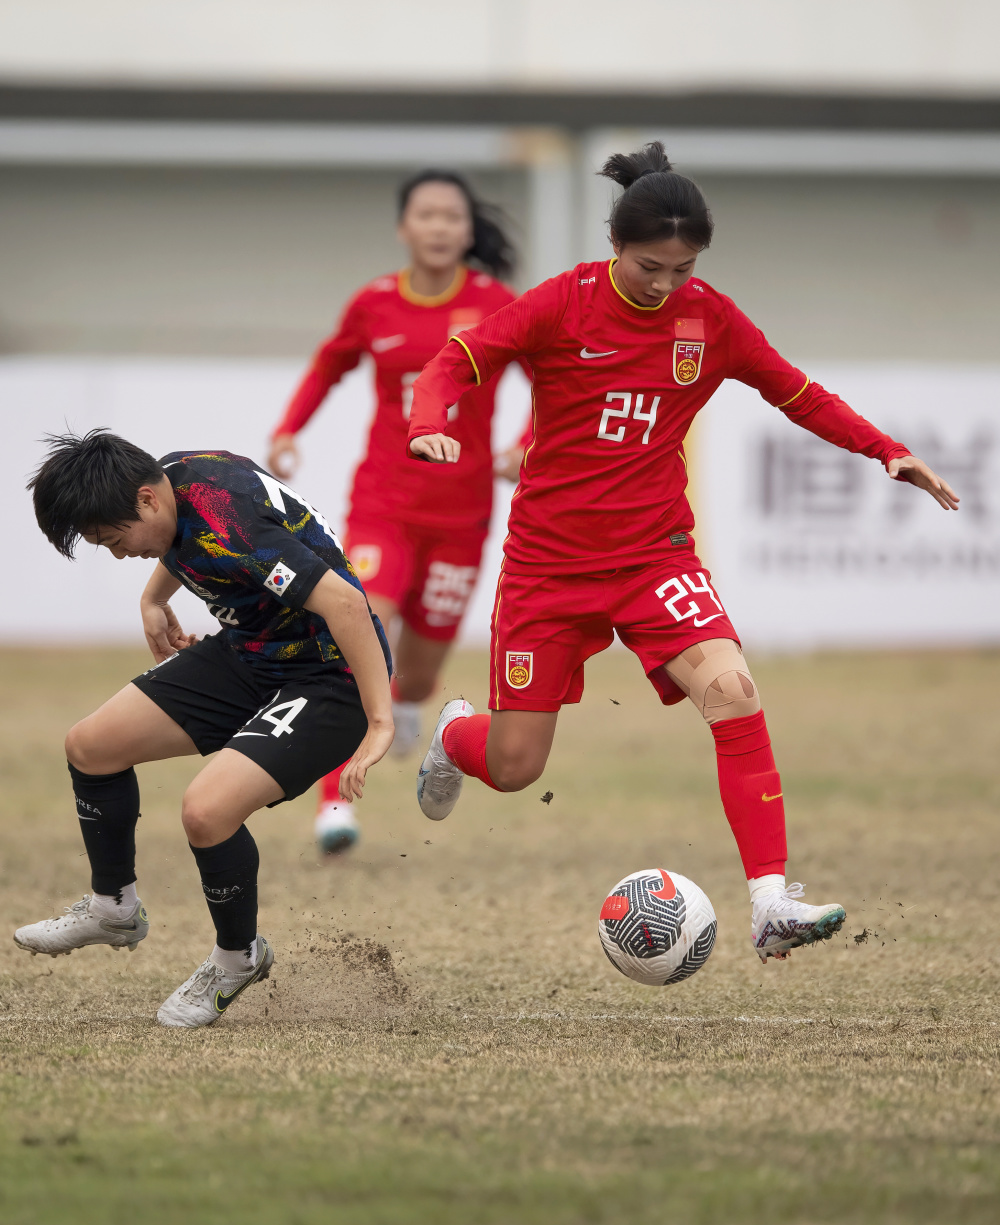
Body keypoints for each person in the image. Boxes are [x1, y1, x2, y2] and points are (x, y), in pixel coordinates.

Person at [403, 141, 960, 965]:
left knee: (732, 690)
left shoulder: (712, 319)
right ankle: (455, 737)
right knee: (516, 766)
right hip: (548, 570)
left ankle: (771, 902)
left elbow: (795, 391)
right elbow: (455, 362)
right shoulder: (564, 305)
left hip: (654, 558)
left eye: (683, 267)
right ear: (615, 248)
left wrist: (886, 451)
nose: (665, 285)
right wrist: (428, 425)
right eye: (649, 266)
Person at [15, 431, 392, 1026]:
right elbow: (179, 539)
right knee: (91, 747)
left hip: (327, 677)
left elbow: (344, 603)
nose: (117, 553)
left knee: (206, 811)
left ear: (145, 502)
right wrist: (152, 598)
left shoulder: (233, 526)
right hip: (251, 653)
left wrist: (379, 720)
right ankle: (114, 907)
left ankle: (237, 957)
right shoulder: (170, 479)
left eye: (114, 541)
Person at [268, 169, 530, 856]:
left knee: (412, 675)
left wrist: (525, 443)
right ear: (403, 228)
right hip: (382, 503)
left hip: (463, 512)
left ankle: (409, 709)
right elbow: (330, 365)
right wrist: (290, 429)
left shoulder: (498, 303)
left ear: (468, 231)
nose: (440, 226)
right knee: (359, 631)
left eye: (452, 215)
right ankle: (334, 805)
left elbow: (556, 377)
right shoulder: (374, 304)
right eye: (427, 214)